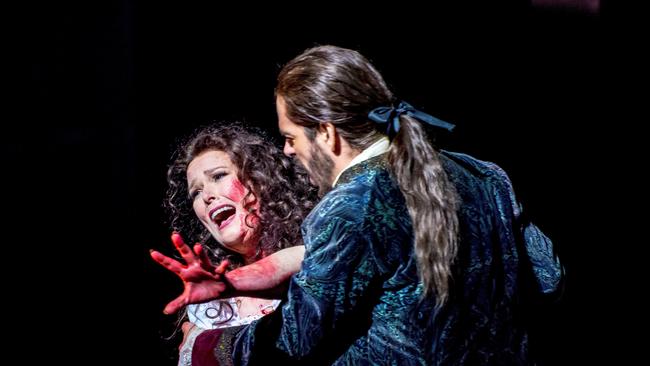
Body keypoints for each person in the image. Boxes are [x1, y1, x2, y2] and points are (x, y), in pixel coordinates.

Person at [157, 45, 564, 365]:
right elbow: (549, 277)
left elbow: (295, 339)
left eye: (291, 137)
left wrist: (206, 348)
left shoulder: (349, 205)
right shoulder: (483, 173)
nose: (286, 151)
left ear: (327, 134)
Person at [150, 122, 316, 366]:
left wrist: (202, 343)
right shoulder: (209, 304)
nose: (206, 196)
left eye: (218, 176)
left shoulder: (316, 257)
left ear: (261, 179)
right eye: (195, 192)